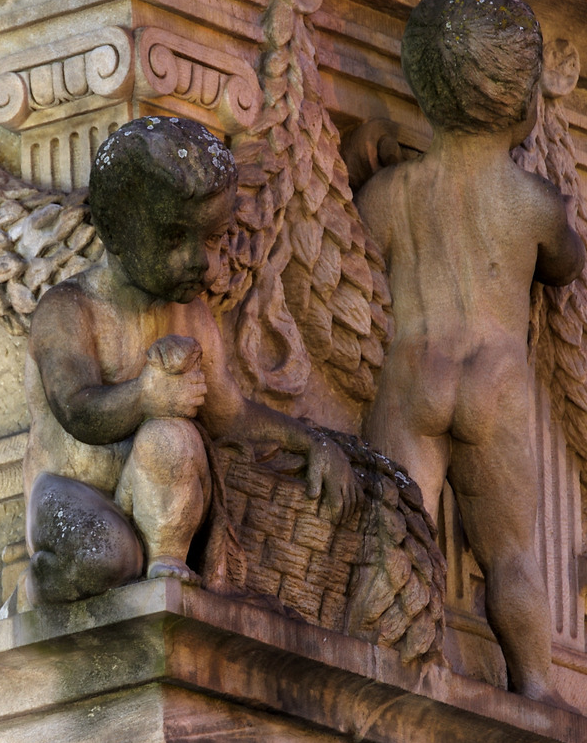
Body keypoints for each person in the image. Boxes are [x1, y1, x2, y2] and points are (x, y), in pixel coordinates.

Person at [354, 0, 585, 703]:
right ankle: (537, 683)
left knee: (399, 532)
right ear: (524, 103)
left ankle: (390, 656)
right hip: (497, 381)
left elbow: (357, 251)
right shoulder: (533, 203)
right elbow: (568, 263)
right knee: (512, 555)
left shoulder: (391, 193)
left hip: (413, 369)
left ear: (423, 93)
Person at [22, 115, 349, 603]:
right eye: (175, 239)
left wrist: (310, 442)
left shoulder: (192, 315)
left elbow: (228, 414)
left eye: (214, 240)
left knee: (173, 436)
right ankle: (32, 591)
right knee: (105, 556)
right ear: (116, 230)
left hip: (152, 491)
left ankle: (166, 563)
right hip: (70, 491)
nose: (202, 261)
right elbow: (77, 410)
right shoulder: (69, 310)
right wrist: (145, 396)